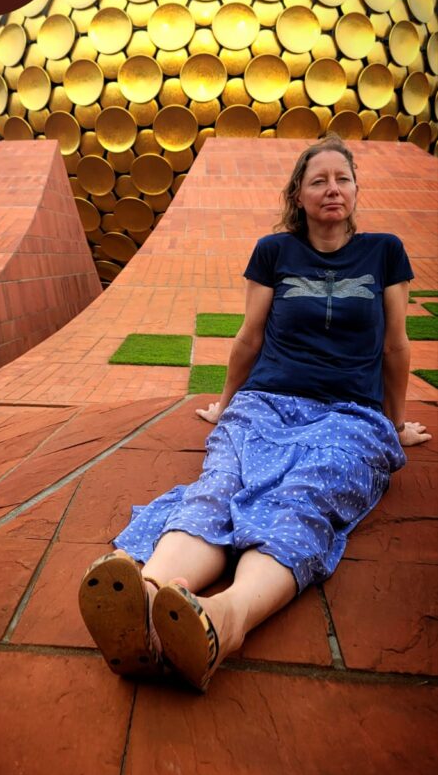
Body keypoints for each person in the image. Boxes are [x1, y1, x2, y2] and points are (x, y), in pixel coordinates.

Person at [78, 135, 432, 692]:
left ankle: (226, 619)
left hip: (349, 414)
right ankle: (142, 597)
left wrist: (392, 425)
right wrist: (225, 404)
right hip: (266, 400)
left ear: (356, 189)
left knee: (304, 495)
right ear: (298, 194)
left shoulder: (384, 252)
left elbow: (396, 346)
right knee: (219, 486)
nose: (332, 189)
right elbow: (249, 337)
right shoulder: (274, 252)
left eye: (342, 178)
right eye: (318, 181)